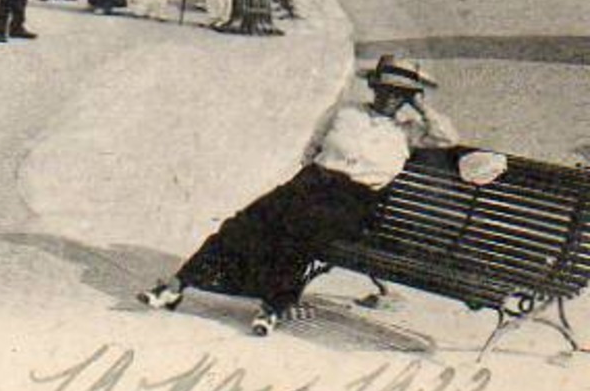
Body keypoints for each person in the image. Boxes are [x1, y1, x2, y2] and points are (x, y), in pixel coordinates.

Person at [139, 55, 459, 336]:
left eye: (400, 94)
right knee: (245, 223)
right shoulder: (347, 112)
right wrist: (313, 176)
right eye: (387, 89)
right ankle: (176, 286)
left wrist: (419, 105)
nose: (392, 98)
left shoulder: (409, 132)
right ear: (374, 88)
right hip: (312, 184)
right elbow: (314, 144)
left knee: (299, 232)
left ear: (408, 98)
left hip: (354, 201)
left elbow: (448, 138)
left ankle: (273, 307)